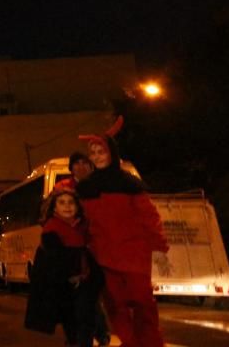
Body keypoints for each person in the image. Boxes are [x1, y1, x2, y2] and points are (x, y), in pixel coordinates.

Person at [76, 118, 168, 347]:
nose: (97, 156)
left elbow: (149, 216)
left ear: (112, 153)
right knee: (116, 308)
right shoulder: (86, 188)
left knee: (143, 305)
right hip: (104, 258)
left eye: (101, 151)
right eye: (93, 152)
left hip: (134, 256)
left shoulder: (129, 183)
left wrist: (160, 247)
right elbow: (84, 223)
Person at [24, 181, 100, 347]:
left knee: (86, 321)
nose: (67, 206)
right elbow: (55, 260)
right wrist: (71, 275)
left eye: (71, 202)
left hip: (84, 283)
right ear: (54, 207)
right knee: (74, 323)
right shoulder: (52, 229)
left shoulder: (83, 226)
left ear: (78, 206)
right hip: (65, 287)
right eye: (62, 202)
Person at [68, 149, 112, 346]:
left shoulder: (102, 186)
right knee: (81, 298)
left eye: (84, 162)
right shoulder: (64, 189)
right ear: (71, 168)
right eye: (76, 163)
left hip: (98, 250)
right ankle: (93, 334)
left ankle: (89, 337)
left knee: (89, 297)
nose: (81, 166)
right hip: (74, 252)